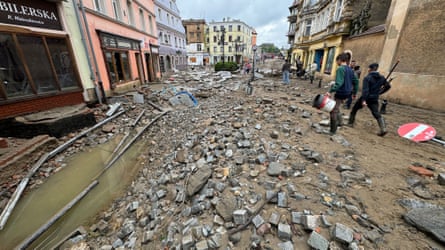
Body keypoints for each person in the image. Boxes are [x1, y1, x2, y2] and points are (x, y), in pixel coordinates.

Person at [347, 63, 388, 136]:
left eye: (368, 68)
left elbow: (365, 91)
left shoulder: (367, 78)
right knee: (376, 113)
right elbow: (388, 86)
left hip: (367, 97)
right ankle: (383, 128)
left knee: (354, 109)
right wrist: (379, 92)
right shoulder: (382, 78)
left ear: (370, 69)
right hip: (374, 98)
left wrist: (363, 100)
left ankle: (350, 123)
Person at [326, 53, 359, 135]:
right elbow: (356, 82)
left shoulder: (340, 69)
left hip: (341, 92)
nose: (336, 63)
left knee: (333, 110)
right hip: (348, 92)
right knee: (336, 106)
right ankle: (340, 122)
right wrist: (354, 93)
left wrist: (330, 91)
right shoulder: (351, 70)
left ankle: (332, 130)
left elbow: (339, 83)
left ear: (340, 60)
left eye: (336, 61)